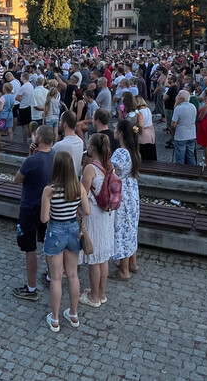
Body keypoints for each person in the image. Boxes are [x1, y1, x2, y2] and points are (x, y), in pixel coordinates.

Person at [40, 151, 89, 333]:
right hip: (73, 230)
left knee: (56, 278)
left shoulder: (49, 190)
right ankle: (74, 314)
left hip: (55, 231)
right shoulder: (78, 187)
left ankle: (55, 318)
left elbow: (44, 218)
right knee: (73, 275)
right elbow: (87, 210)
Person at [11, 124, 55, 301]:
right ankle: (52, 278)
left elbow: (17, 179)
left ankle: (31, 288)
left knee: (30, 248)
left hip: (30, 207)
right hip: (48, 207)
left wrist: (30, 157)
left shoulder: (31, 161)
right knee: (48, 245)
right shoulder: (56, 156)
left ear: (40, 139)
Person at [79, 133, 116, 308]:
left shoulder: (90, 169)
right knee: (103, 257)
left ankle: (93, 296)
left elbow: (83, 194)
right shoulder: (110, 165)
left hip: (94, 214)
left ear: (92, 148)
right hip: (107, 213)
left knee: (94, 256)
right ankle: (101, 293)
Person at [111, 119, 141, 281]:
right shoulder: (133, 150)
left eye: (115, 128)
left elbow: (111, 172)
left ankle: (123, 270)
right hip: (132, 194)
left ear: (120, 133)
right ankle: (132, 263)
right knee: (131, 229)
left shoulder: (120, 153)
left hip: (121, 196)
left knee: (121, 230)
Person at [170, 90, 197, 165]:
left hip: (181, 135)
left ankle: (180, 173)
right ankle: (193, 172)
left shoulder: (179, 108)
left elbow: (173, 124)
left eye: (178, 96)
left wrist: (172, 133)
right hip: (191, 134)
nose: (176, 97)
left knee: (180, 158)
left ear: (181, 99)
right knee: (191, 156)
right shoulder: (193, 107)